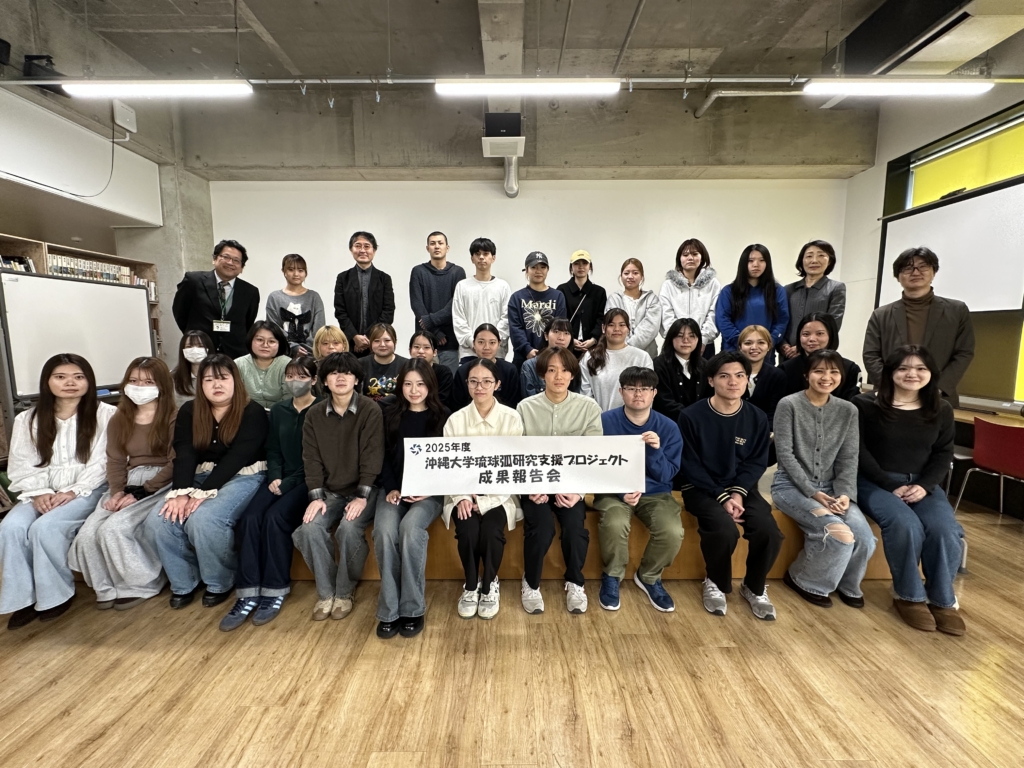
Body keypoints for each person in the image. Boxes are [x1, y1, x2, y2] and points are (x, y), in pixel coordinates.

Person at [854, 345, 965, 636]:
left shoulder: (941, 408)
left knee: (945, 530)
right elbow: (859, 451)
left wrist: (924, 486)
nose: (911, 374)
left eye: (920, 368)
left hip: (923, 484)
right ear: (890, 372)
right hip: (874, 481)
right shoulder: (865, 404)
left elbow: (943, 453)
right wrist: (891, 484)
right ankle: (908, 596)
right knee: (905, 524)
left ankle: (942, 600)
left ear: (931, 373)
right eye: (903, 368)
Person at [0, 354, 116, 629]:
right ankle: (23, 598)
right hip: (39, 490)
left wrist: (73, 491)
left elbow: (103, 461)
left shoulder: (106, 414)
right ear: (47, 382)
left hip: (87, 489)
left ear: (89, 381)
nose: (70, 383)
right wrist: (40, 492)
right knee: (11, 528)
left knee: (46, 528)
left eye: (78, 377)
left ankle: (55, 595)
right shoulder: (27, 418)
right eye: (61, 377)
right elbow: (21, 462)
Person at [148, 355, 268, 610]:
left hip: (243, 474)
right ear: (200, 384)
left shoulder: (253, 412)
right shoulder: (189, 411)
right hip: (198, 475)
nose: (217, 385)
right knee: (161, 519)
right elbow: (184, 452)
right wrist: (180, 492)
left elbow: (237, 458)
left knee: (205, 519)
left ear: (235, 380)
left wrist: (203, 493)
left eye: (223, 378)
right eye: (209, 379)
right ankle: (184, 582)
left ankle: (220, 581)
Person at [678, 352, 781, 620]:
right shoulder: (691, 416)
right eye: (724, 376)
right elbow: (690, 465)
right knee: (724, 530)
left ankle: (754, 586)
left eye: (739, 375)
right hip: (700, 488)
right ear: (711, 380)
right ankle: (715, 581)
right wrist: (722, 496)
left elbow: (757, 462)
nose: (733, 382)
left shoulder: (757, 417)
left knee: (769, 531)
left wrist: (737, 492)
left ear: (747, 379)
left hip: (741, 488)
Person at [218, 356, 319, 631]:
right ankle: (248, 592)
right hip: (277, 478)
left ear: (314, 380)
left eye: (302, 376)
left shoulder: (322, 409)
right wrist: (275, 476)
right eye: (290, 376)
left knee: (275, 518)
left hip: (307, 480)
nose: (295, 381)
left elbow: (316, 457)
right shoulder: (278, 410)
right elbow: (272, 448)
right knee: (249, 519)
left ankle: (275, 590)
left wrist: (289, 482)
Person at [69, 357, 176, 612]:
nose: (139, 387)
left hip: (161, 482)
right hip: (130, 479)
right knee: (88, 534)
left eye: (148, 382)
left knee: (114, 528)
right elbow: (115, 460)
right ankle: (105, 588)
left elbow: (177, 461)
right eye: (134, 381)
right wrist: (117, 492)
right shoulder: (119, 418)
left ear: (162, 385)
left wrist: (143, 491)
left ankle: (143, 583)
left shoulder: (175, 416)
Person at [772, 349, 875, 609]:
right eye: (819, 371)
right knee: (838, 534)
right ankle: (803, 579)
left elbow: (848, 457)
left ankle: (846, 583)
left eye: (833, 372)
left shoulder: (848, 410)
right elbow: (785, 455)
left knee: (864, 538)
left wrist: (844, 494)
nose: (826, 377)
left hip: (833, 488)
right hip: (791, 487)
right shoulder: (789, 404)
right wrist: (813, 493)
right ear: (807, 375)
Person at [294, 352, 384, 622]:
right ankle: (326, 592)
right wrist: (316, 496)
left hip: (366, 490)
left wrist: (362, 496)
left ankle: (344, 591)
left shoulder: (370, 409)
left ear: (357, 379)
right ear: (324, 381)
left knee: (348, 528)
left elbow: (372, 456)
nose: (340, 377)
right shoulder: (314, 414)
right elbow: (311, 458)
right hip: (330, 491)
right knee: (309, 529)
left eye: (347, 373)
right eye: (334, 373)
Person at [516, 347, 603, 615]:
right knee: (541, 528)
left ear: (573, 374)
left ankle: (575, 582)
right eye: (551, 370)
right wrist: (531, 487)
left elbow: (594, 457)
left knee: (575, 528)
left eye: (564, 370)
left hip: (571, 486)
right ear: (542, 374)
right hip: (535, 485)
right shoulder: (525, 408)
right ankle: (531, 583)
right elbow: (518, 455)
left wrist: (578, 491)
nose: (558, 376)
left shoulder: (588, 408)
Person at [593, 367, 683, 613]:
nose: (638, 394)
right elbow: (594, 466)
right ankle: (612, 575)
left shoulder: (668, 427)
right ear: (621, 391)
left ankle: (649, 576)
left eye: (644, 389)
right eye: (631, 388)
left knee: (672, 531)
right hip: (613, 491)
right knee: (614, 523)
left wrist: (655, 451)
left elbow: (667, 474)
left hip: (655, 493)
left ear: (654, 393)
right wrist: (620, 491)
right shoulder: (604, 422)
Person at [442, 358, 525, 620]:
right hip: (462, 493)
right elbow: (449, 466)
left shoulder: (512, 418)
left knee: (491, 531)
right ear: (467, 384)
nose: (480, 387)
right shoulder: (455, 421)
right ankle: (470, 585)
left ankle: (489, 585)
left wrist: (486, 501)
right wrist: (462, 497)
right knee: (467, 530)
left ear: (497, 384)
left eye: (487, 381)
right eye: (474, 381)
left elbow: (513, 467)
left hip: (500, 495)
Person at [373, 359, 450, 638]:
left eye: (420, 384)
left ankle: (413, 608)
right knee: (384, 531)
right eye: (408, 384)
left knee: (410, 529)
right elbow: (382, 457)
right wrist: (392, 488)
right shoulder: (389, 414)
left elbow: (450, 462)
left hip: (430, 493)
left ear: (430, 385)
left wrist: (430, 489)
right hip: (395, 490)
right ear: (400, 386)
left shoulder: (444, 416)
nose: (414, 390)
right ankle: (389, 610)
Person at [863, 246, 974, 406]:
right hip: (890, 397)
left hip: (938, 398)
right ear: (898, 276)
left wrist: (938, 388)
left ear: (933, 272)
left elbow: (964, 352)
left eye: (923, 267)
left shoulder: (957, 310)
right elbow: (871, 355)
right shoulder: (881, 314)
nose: (915, 272)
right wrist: (892, 387)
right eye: (908, 268)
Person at [172, 239, 260, 359]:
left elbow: (248, 323)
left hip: (235, 353)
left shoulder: (250, 291)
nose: (230, 263)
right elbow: (180, 312)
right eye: (226, 257)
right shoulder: (193, 281)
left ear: (241, 267)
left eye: (236, 260)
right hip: (200, 349)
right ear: (214, 259)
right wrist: (193, 336)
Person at [715, 244, 789, 361]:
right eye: (751, 260)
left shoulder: (777, 291)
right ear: (743, 263)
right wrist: (743, 343)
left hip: (764, 354)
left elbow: (782, 320)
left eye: (761, 260)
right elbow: (723, 320)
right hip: (733, 353)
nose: (756, 264)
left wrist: (768, 342)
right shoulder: (729, 291)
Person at [410, 231, 466, 372]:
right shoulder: (418, 271)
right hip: (424, 343)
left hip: (450, 341)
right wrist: (434, 332)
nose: (436, 246)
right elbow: (417, 304)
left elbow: (455, 305)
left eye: (440, 243)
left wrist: (431, 321)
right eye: (432, 243)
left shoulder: (458, 272)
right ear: (427, 248)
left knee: (449, 381)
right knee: (423, 381)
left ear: (447, 248)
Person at [333, 231, 396, 357]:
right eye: (358, 246)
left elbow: (388, 311)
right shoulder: (343, 278)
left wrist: (368, 337)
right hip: (351, 343)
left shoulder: (384, 279)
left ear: (374, 250)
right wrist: (355, 336)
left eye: (367, 246)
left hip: (377, 342)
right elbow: (340, 311)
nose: (362, 250)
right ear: (351, 250)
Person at [780, 241, 846, 360]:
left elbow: (833, 323)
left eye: (821, 255)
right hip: (787, 354)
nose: (814, 260)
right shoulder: (788, 289)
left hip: (818, 355)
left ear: (830, 261)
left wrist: (801, 347)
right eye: (809, 256)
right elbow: (780, 320)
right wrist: (783, 345)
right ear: (802, 260)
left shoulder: (836, 288)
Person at [580, 309, 654, 411]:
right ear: (603, 328)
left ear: (628, 329)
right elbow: (585, 395)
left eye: (622, 325)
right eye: (611, 325)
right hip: (599, 418)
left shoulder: (642, 357)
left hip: (634, 418)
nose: (616, 329)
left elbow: (648, 394)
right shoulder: (590, 357)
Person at [452, 237, 512, 363]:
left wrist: (492, 343)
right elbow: (458, 319)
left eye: (485, 254)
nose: (481, 257)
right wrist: (474, 343)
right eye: (477, 254)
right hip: (469, 352)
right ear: (472, 258)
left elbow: (506, 319)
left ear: (493, 258)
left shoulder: (503, 286)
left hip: (496, 353)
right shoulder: (462, 286)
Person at [659, 238, 721, 354]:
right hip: (675, 344)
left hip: (704, 346)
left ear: (702, 257)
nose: (690, 258)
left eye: (695, 254)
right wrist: (679, 338)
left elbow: (714, 314)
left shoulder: (713, 284)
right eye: (685, 254)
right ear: (679, 259)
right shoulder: (668, 285)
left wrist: (702, 339)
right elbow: (666, 315)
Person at [508, 251, 568, 370]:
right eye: (533, 267)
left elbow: (560, 327)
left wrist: (550, 351)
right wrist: (527, 350)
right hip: (523, 358)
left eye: (542, 267)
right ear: (526, 270)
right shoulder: (517, 297)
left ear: (548, 270)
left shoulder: (558, 296)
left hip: (552, 357)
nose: (538, 271)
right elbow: (515, 328)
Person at [780, 313, 860, 401]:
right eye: (806, 334)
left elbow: (851, 404)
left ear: (831, 335)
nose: (812, 339)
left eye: (820, 333)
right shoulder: (785, 369)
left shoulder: (850, 369)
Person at [264, 253, 326, 356]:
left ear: (305, 273)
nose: (296, 274)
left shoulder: (314, 297)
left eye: (300, 270)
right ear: (284, 271)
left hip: (310, 353)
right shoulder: (274, 297)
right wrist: (292, 347)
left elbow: (319, 329)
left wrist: (309, 349)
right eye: (291, 269)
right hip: (282, 352)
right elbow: (273, 327)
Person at [452, 324, 522, 409]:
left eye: (492, 342)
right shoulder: (463, 371)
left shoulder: (509, 370)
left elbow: (513, 403)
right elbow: (457, 405)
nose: (486, 347)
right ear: (474, 344)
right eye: (481, 342)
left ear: (499, 344)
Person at [605, 258, 662, 359]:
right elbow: (613, 326)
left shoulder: (651, 299)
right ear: (621, 276)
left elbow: (651, 327)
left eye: (635, 273)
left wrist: (628, 348)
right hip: (618, 355)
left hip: (647, 356)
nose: (630, 276)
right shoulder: (614, 299)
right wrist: (623, 350)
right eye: (626, 273)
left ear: (642, 277)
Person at [653, 318, 705, 422]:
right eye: (680, 336)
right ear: (671, 338)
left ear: (698, 339)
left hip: (699, 422)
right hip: (668, 422)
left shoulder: (705, 365)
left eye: (691, 336)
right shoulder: (659, 365)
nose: (686, 340)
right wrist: (691, 417)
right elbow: (663, 401)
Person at [556, 250, 606, 358]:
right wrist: (570, 339)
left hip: (593, 347)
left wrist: (593, 339)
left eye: (584, 263)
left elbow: (601, 318)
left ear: (590, 266)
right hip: (567, 346)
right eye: (576, 263)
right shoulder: (562, 290)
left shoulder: (599, 292)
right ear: (571, 267)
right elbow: (559, 318)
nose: (581, 267)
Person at [737, 325, 787, 433]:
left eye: (761, 342)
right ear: (740, 347)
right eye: (748, 343)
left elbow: (775, 413)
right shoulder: (729, 374)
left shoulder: (777, 376)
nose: (754, 347)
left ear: (769, 346)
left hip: (764, 433)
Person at [234, 320, 291, 409]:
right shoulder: (238, 364)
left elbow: (290, 396)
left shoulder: (288, 365)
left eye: (271, 341)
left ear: (279, 344)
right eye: (260, 340)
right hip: (246, 411)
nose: (265, 345)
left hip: (281, 412)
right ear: (250, 340)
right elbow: (236, 395)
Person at [520, 317, 581, 398]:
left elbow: (576, 397)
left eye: (566, 333)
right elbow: (529, 400)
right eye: (556, 332)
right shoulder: (530, 366)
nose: (561, 338)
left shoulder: (574, 364)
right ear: (546, 336)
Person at [409, 329, 455, 411]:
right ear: (410, 350)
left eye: (426, 347)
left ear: (434, 352)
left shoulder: (443, 372)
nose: (421, 351)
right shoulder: (405, 371)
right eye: (416, 347)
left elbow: (443, 400)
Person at [362, 323, 408, 403]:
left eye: (387, 340)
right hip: (369, 409)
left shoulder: (407, 365)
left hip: (396, 409)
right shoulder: (360, 364)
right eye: (377, 341)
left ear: (395, 342)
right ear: (371, 343)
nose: (382, 345)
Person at [172, 330, 214, 407]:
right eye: (189, 346)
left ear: (208, 348)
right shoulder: (174, 378)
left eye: (200, 346)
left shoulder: (219, 376)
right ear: (183, 350)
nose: (195, 350)